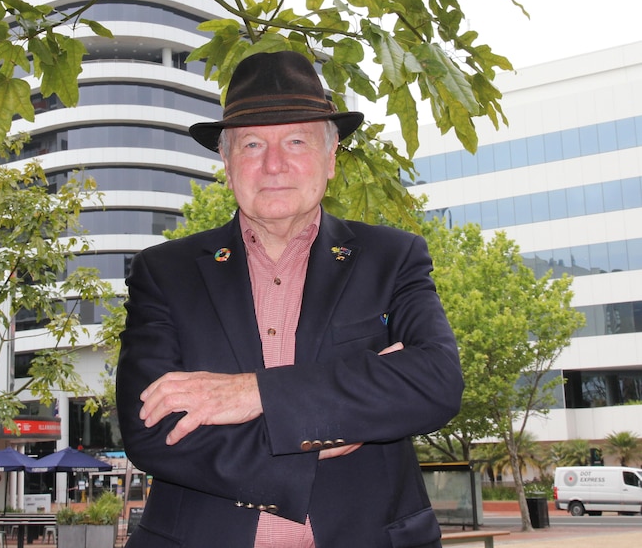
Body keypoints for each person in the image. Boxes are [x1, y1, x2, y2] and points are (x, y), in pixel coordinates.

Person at [116, 51, 463, 548]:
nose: (274, 164)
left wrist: (254, 393)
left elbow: (434, 382)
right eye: (253, 143)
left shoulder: (392, 257)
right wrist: (315, 437)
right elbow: (152, 430)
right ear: (226, 161)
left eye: (296, 140)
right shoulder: (164, 272)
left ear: (331, 158)